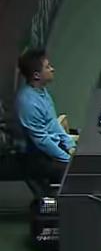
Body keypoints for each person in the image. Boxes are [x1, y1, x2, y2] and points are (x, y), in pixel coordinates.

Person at [15, 48, 76, 188]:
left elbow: (53, 123)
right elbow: (42, 141)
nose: (52, 69)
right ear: (37, 75)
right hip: (40, 157)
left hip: (54, 146)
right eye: (47, 67)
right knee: (77, 172)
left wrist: (70, 145)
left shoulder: (42, 91)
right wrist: (67, 159)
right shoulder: (28, 103)